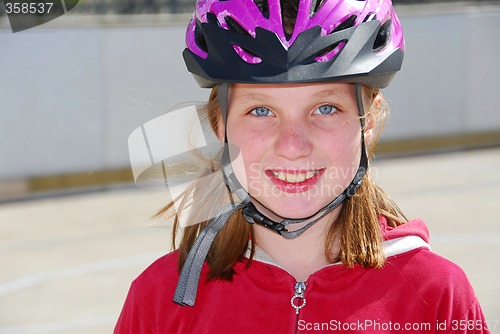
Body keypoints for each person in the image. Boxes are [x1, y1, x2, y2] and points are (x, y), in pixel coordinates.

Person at [115, 0, 490, 332]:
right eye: (260, 110)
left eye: (326, 108)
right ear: (220, 124)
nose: (293, 146)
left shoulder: (437, 295)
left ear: (369, 121)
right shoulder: (158, 300)